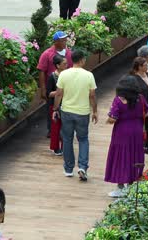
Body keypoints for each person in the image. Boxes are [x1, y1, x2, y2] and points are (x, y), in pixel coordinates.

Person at [52, 49, 97, 182]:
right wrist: (95, 111)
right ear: (82, 60)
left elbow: (59, 93)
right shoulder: (89, 75)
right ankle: (82, 167)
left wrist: (55, 109)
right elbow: (92, 95)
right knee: (83, 139)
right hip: (83, 112)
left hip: (67, 111)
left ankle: (68, 169)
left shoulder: (64, 74)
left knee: (67, 139)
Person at [104, 75, 148, 198]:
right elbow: (147, 112)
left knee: (121, 156)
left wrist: (107, 119)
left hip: (122, 131)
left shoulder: (119, 100)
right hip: (137, 130)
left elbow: (113, 118)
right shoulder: (141, 98)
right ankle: (132, 184)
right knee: (134, 155)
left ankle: (120, 187)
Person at [37, 31, 73, 138]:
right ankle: (51, 130)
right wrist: (43, 89)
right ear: (56, 41)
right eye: (62, 40)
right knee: (51, 108)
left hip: (66, 86)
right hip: (53, 85)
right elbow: (41, 71)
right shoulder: (47, 54)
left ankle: (64, 129)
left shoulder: (69, 53)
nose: (65, 42)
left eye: (65, 40)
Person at [47, 55, 68, 156]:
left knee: (66, 127)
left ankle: (65, 147)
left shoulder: (67, 75)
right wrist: (59, 92)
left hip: (66, 104)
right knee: (56, 127)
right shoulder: (52, 77)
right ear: (58, 65)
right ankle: (55, 147)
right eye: (64, 64)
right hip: (54, 105)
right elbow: (49, 93)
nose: (66, 65)